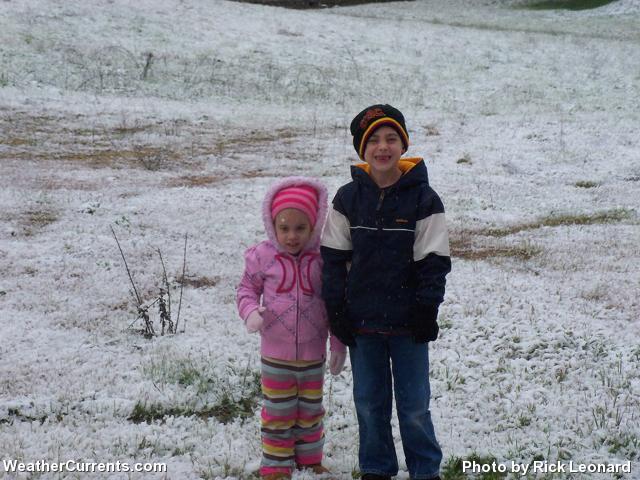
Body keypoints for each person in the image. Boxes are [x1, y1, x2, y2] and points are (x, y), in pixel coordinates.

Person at [321, 104, 451, 480]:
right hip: (362, 324)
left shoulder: (424, 200)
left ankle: (425, 469)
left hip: (409, 324)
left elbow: (434, 261)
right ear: (362, 149)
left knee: (414, 406)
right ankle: (376, 468)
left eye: (391, 138)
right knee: (368, 403)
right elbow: (332, 259)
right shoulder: (347, 199)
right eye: (373, 140)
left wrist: (426, 310)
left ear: (403, 144)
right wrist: (337, 312)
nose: (383, 147)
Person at [237, 176, 347, 480]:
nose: (291, 236)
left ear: (314, 225)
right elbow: (246, 290)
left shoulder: (323, 260)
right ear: (272, 225)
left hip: (313, 356)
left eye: (300, 228)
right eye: (283, 228)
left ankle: (310, 460)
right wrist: (250, 313)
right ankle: (275, 465)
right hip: (276, 356)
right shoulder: (263, 257)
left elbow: (335, 303)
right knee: (278, 413)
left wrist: (338, 345)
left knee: (311, 412)